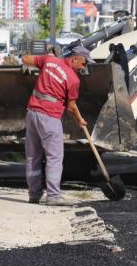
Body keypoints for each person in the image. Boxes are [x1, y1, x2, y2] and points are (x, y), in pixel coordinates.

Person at [22, 46, 91, 206]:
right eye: (84, 63)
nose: (84, 67)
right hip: (50, 118)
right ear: (74, 59)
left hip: (32, 114)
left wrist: (45, 56)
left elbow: (25, 59)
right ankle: (53, 196)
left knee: (33, 157)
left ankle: (34, 194)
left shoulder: (49, 60)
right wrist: (79, 120)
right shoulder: (73, 80)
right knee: (54, 157)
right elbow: (71, 106)